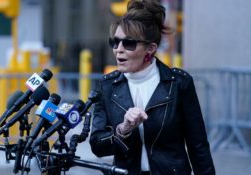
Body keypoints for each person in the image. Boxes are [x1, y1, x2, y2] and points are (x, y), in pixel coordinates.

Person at [89, 0, 215, 175]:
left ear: (150, 48)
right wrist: (123, 130)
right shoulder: (107, 86)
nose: (119, 49)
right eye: (115, 42)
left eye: (129, 43)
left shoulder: (178, 83)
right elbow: (97, 146)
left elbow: (198, 145)